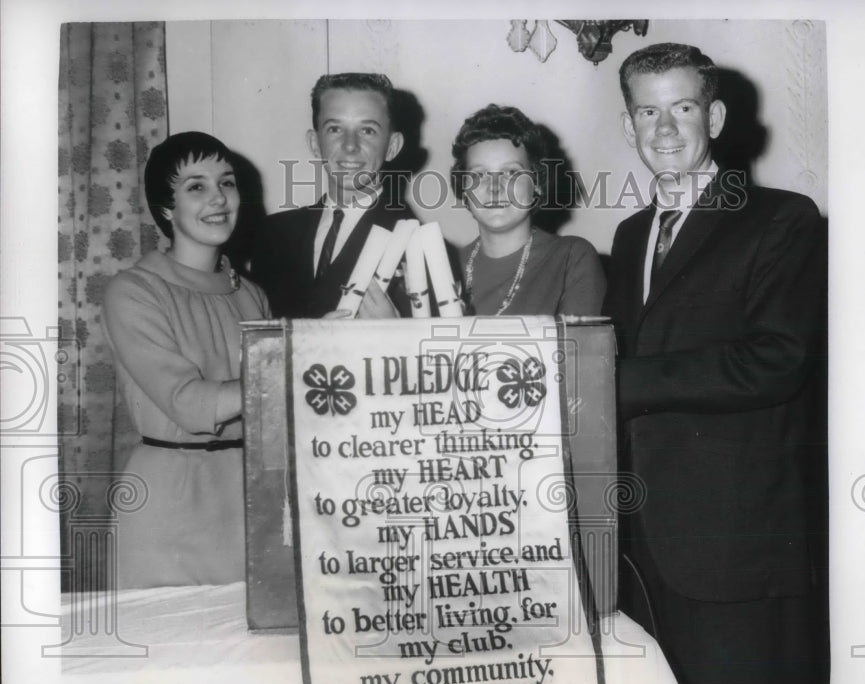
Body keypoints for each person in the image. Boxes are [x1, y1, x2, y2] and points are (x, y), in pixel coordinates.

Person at [604, 43, 829, 684]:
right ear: (628, 126)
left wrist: (617, 381)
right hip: (642, 549)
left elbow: (776, 359)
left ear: (717, 116)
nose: (664, 128)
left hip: (738, 548)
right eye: (648, 111)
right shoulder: (629, 231)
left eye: (683, 108)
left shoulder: (783, 219)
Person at [103, 131, 269, 589]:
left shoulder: (252, 294)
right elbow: (190, 403)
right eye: (196, 186)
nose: (218, 198)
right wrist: (292, 360)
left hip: (247, 499)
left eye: (227, 182)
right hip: (170, 503)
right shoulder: (134, 291)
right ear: (166, 208)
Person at [249, 72, 416, 319]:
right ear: (315, 143)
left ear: (392, 146)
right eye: (335, 129)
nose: (350, 145)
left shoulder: (416, 243)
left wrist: (394, 333)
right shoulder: (273, 235)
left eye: (367, 130)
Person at [451, 104, 605, 316]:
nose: (494, 187)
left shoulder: (571, 258)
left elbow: (581, 348)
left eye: (511, 172)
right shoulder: (443, 266)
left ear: (537, 183)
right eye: (479, 174)